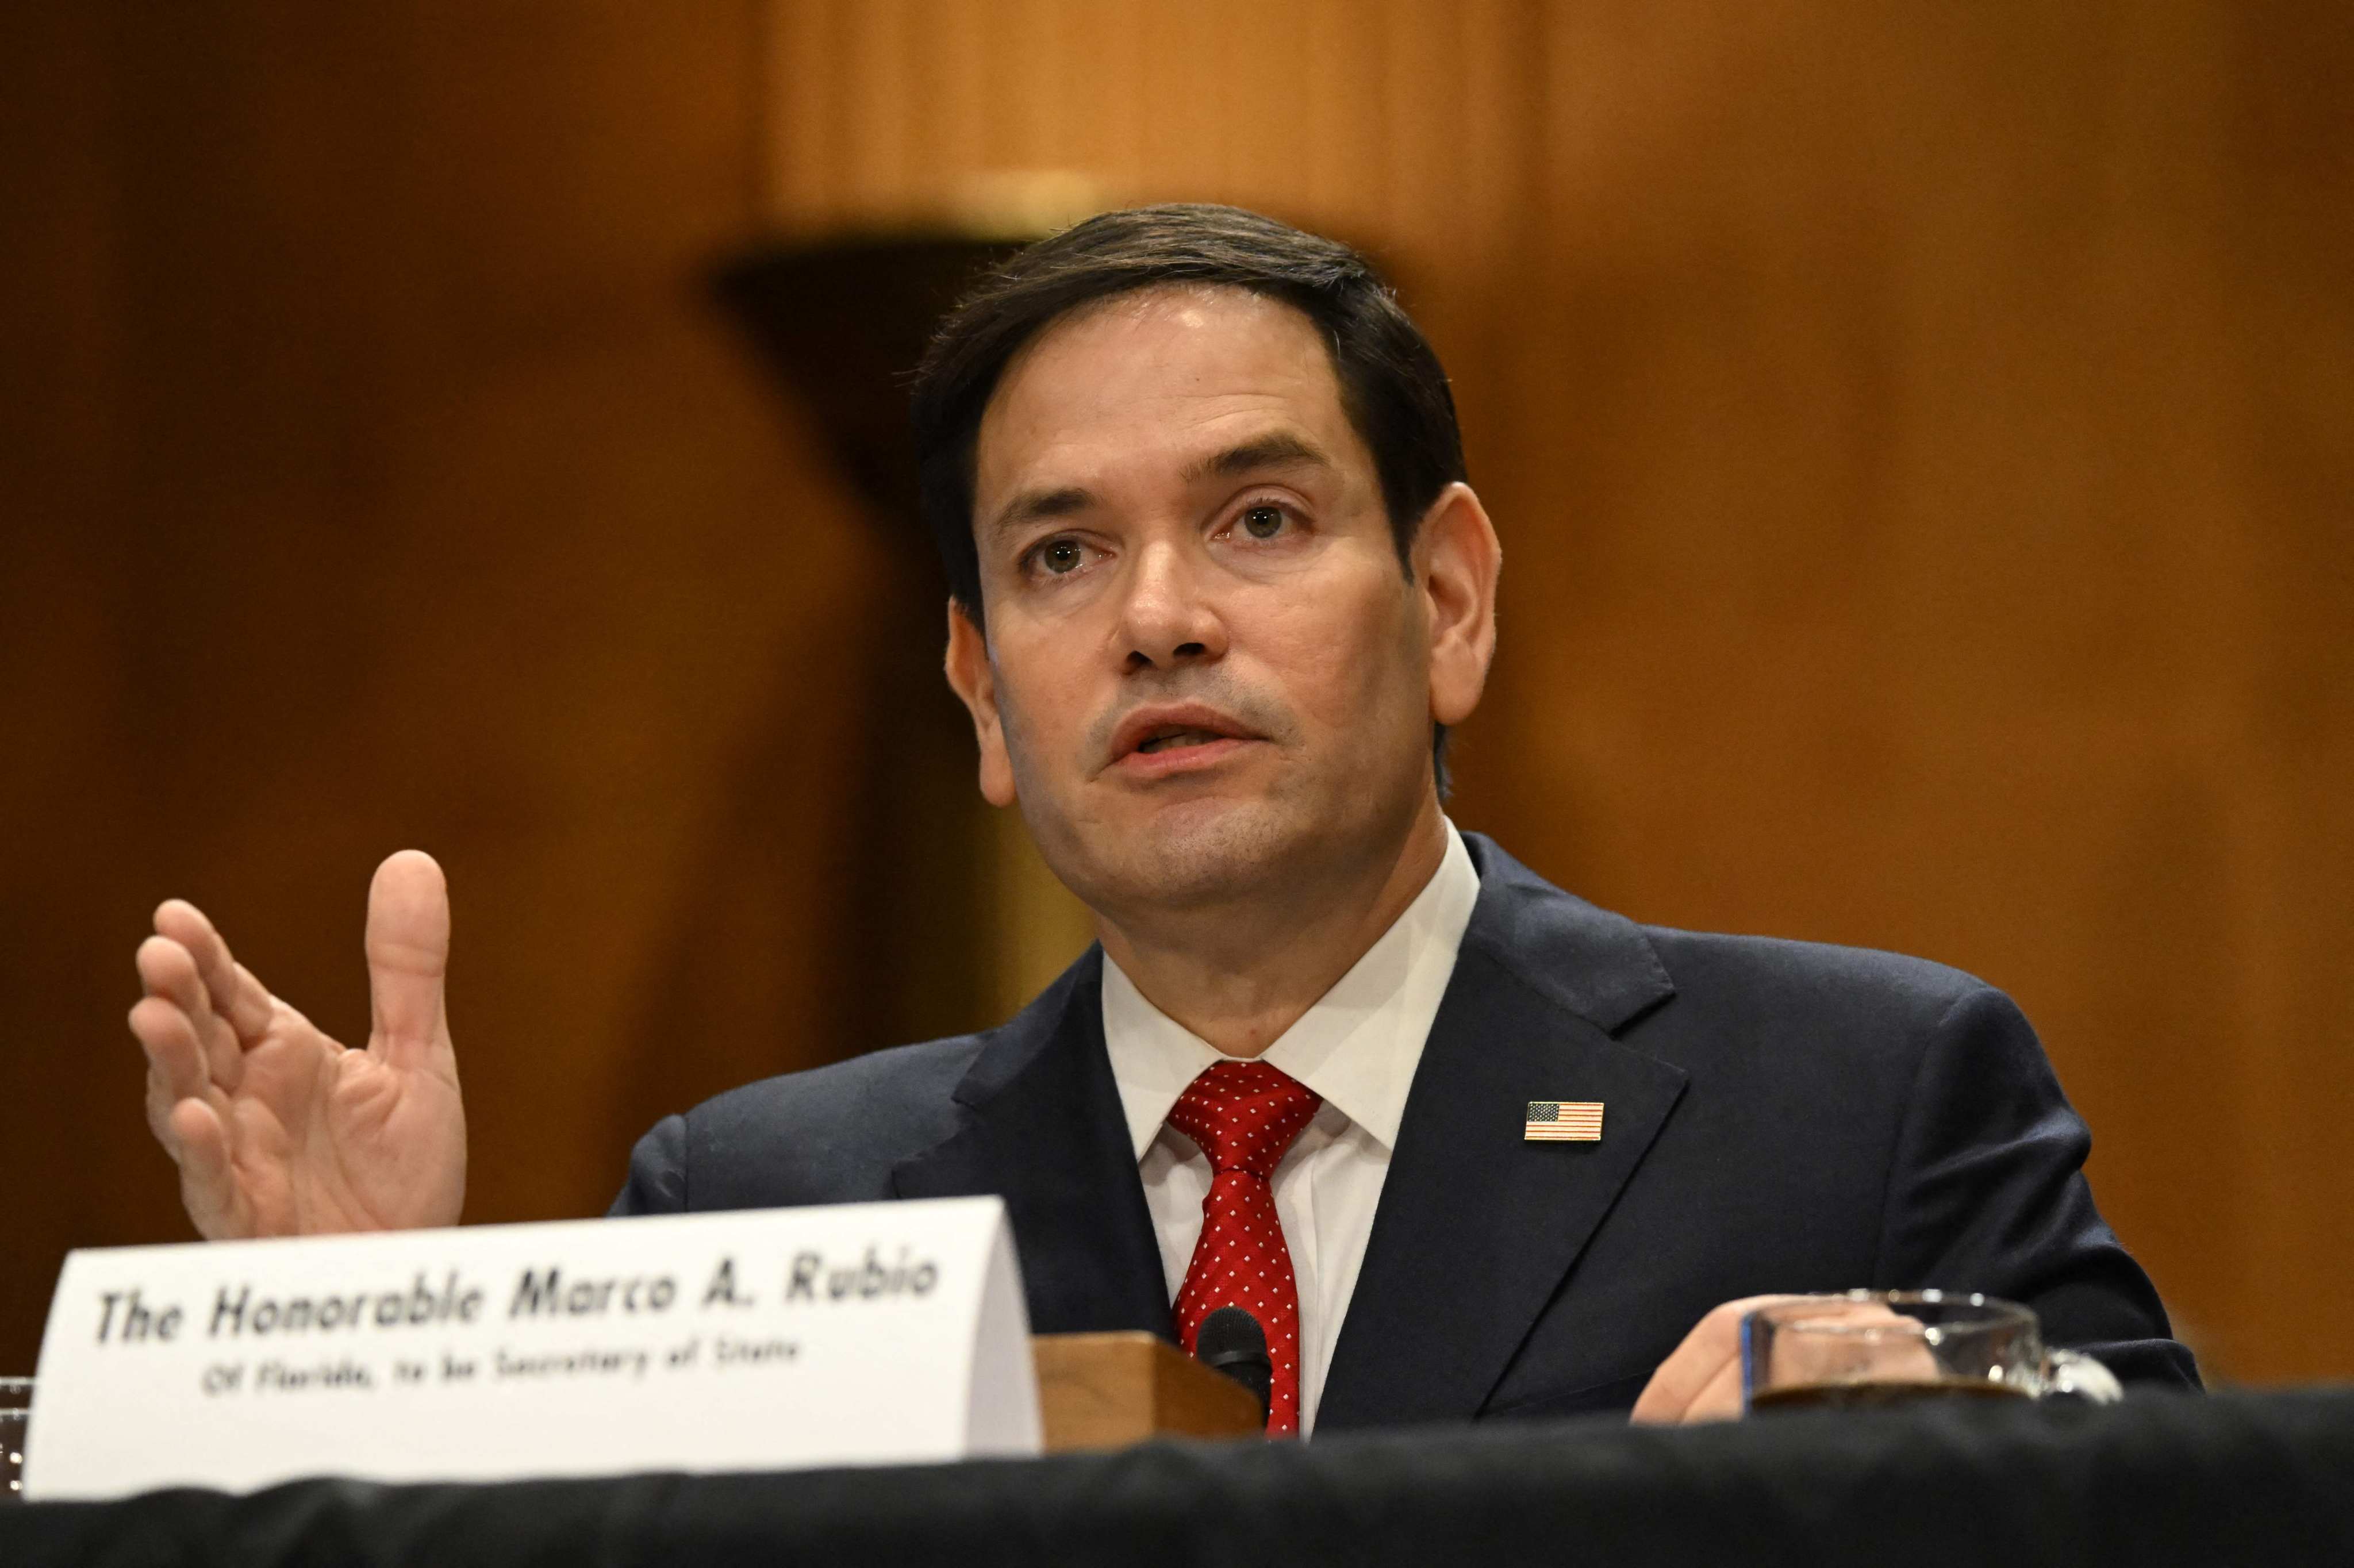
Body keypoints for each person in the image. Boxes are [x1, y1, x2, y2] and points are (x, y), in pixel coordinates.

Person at [128, 205, 2196, 1435]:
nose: (1158, 620)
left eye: (1262, 519)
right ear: (986, 702)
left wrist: (1984, 1413)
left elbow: (2199, 1525)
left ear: (1449, 599)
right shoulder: (767, 1205)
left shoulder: (1866, 1102)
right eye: (1056, 557)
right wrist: (361, 1359)